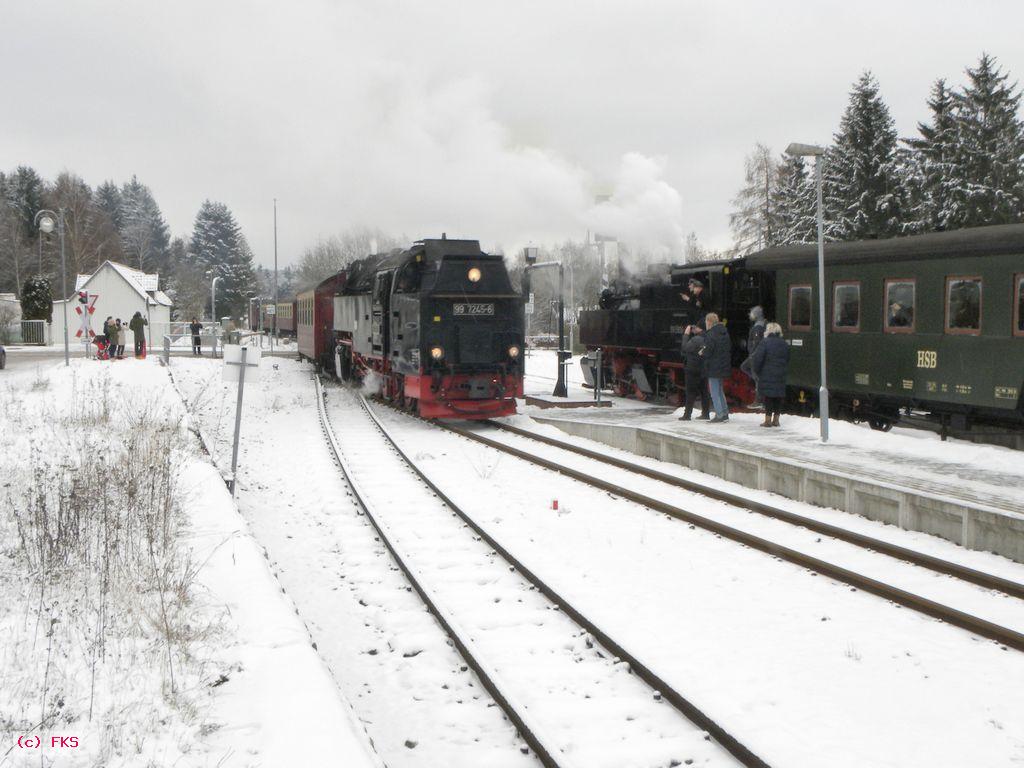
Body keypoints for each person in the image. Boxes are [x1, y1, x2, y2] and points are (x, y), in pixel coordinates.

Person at [749, 322, 790, 427]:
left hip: (767, 373)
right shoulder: (784, 343)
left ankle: (767, 420)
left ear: (768, 331)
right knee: (778, 397)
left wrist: (757, 371)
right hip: (781, 373)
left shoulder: (765, 342)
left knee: (768, 397)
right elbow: (787, 359)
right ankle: (776, 420)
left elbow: (757, 359)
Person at [700, 312, 732, 423]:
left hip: (713, 366)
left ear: (709, 322)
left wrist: (702, 352)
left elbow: (709, 350)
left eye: (706, 322)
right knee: (719, 390)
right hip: (722, 365)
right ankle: (725, 413)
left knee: (714, 392)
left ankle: (719, 414)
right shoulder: (724, 333)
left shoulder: (711, 334)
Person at [679, 325, 710, 421]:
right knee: (704, 392)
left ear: (700, 328)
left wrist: (686, 334)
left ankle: (687, 415)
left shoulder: (696, 339)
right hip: (704, 369)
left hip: (692, 369)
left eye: (695, 327)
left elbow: (684, 348)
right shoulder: (708, 338)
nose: (693, 329)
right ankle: (705, 413)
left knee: (690, 392)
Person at [740, 305, 767, 407]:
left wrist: (753, 354)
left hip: (754, 355)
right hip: (755, 354)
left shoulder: (757, 328)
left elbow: (756, 343)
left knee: (748, 369)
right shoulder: (762, 325)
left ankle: (759, 399)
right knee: (749, 370)